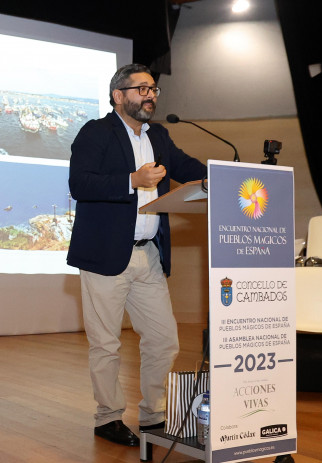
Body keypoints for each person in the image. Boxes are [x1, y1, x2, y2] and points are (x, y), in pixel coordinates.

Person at [67, 63, 207, 447]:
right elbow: (79, 183)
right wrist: (132, 180)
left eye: (154, 90)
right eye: (142, 88)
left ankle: (154, 417)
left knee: (164, 340)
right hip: (104, 256)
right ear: (119, 95)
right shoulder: (96, 133)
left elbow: (184, 167)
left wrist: (217, 175)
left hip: (149, 257)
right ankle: (108, 418)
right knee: (106, 344)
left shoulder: (158, 135)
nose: (150, 95)